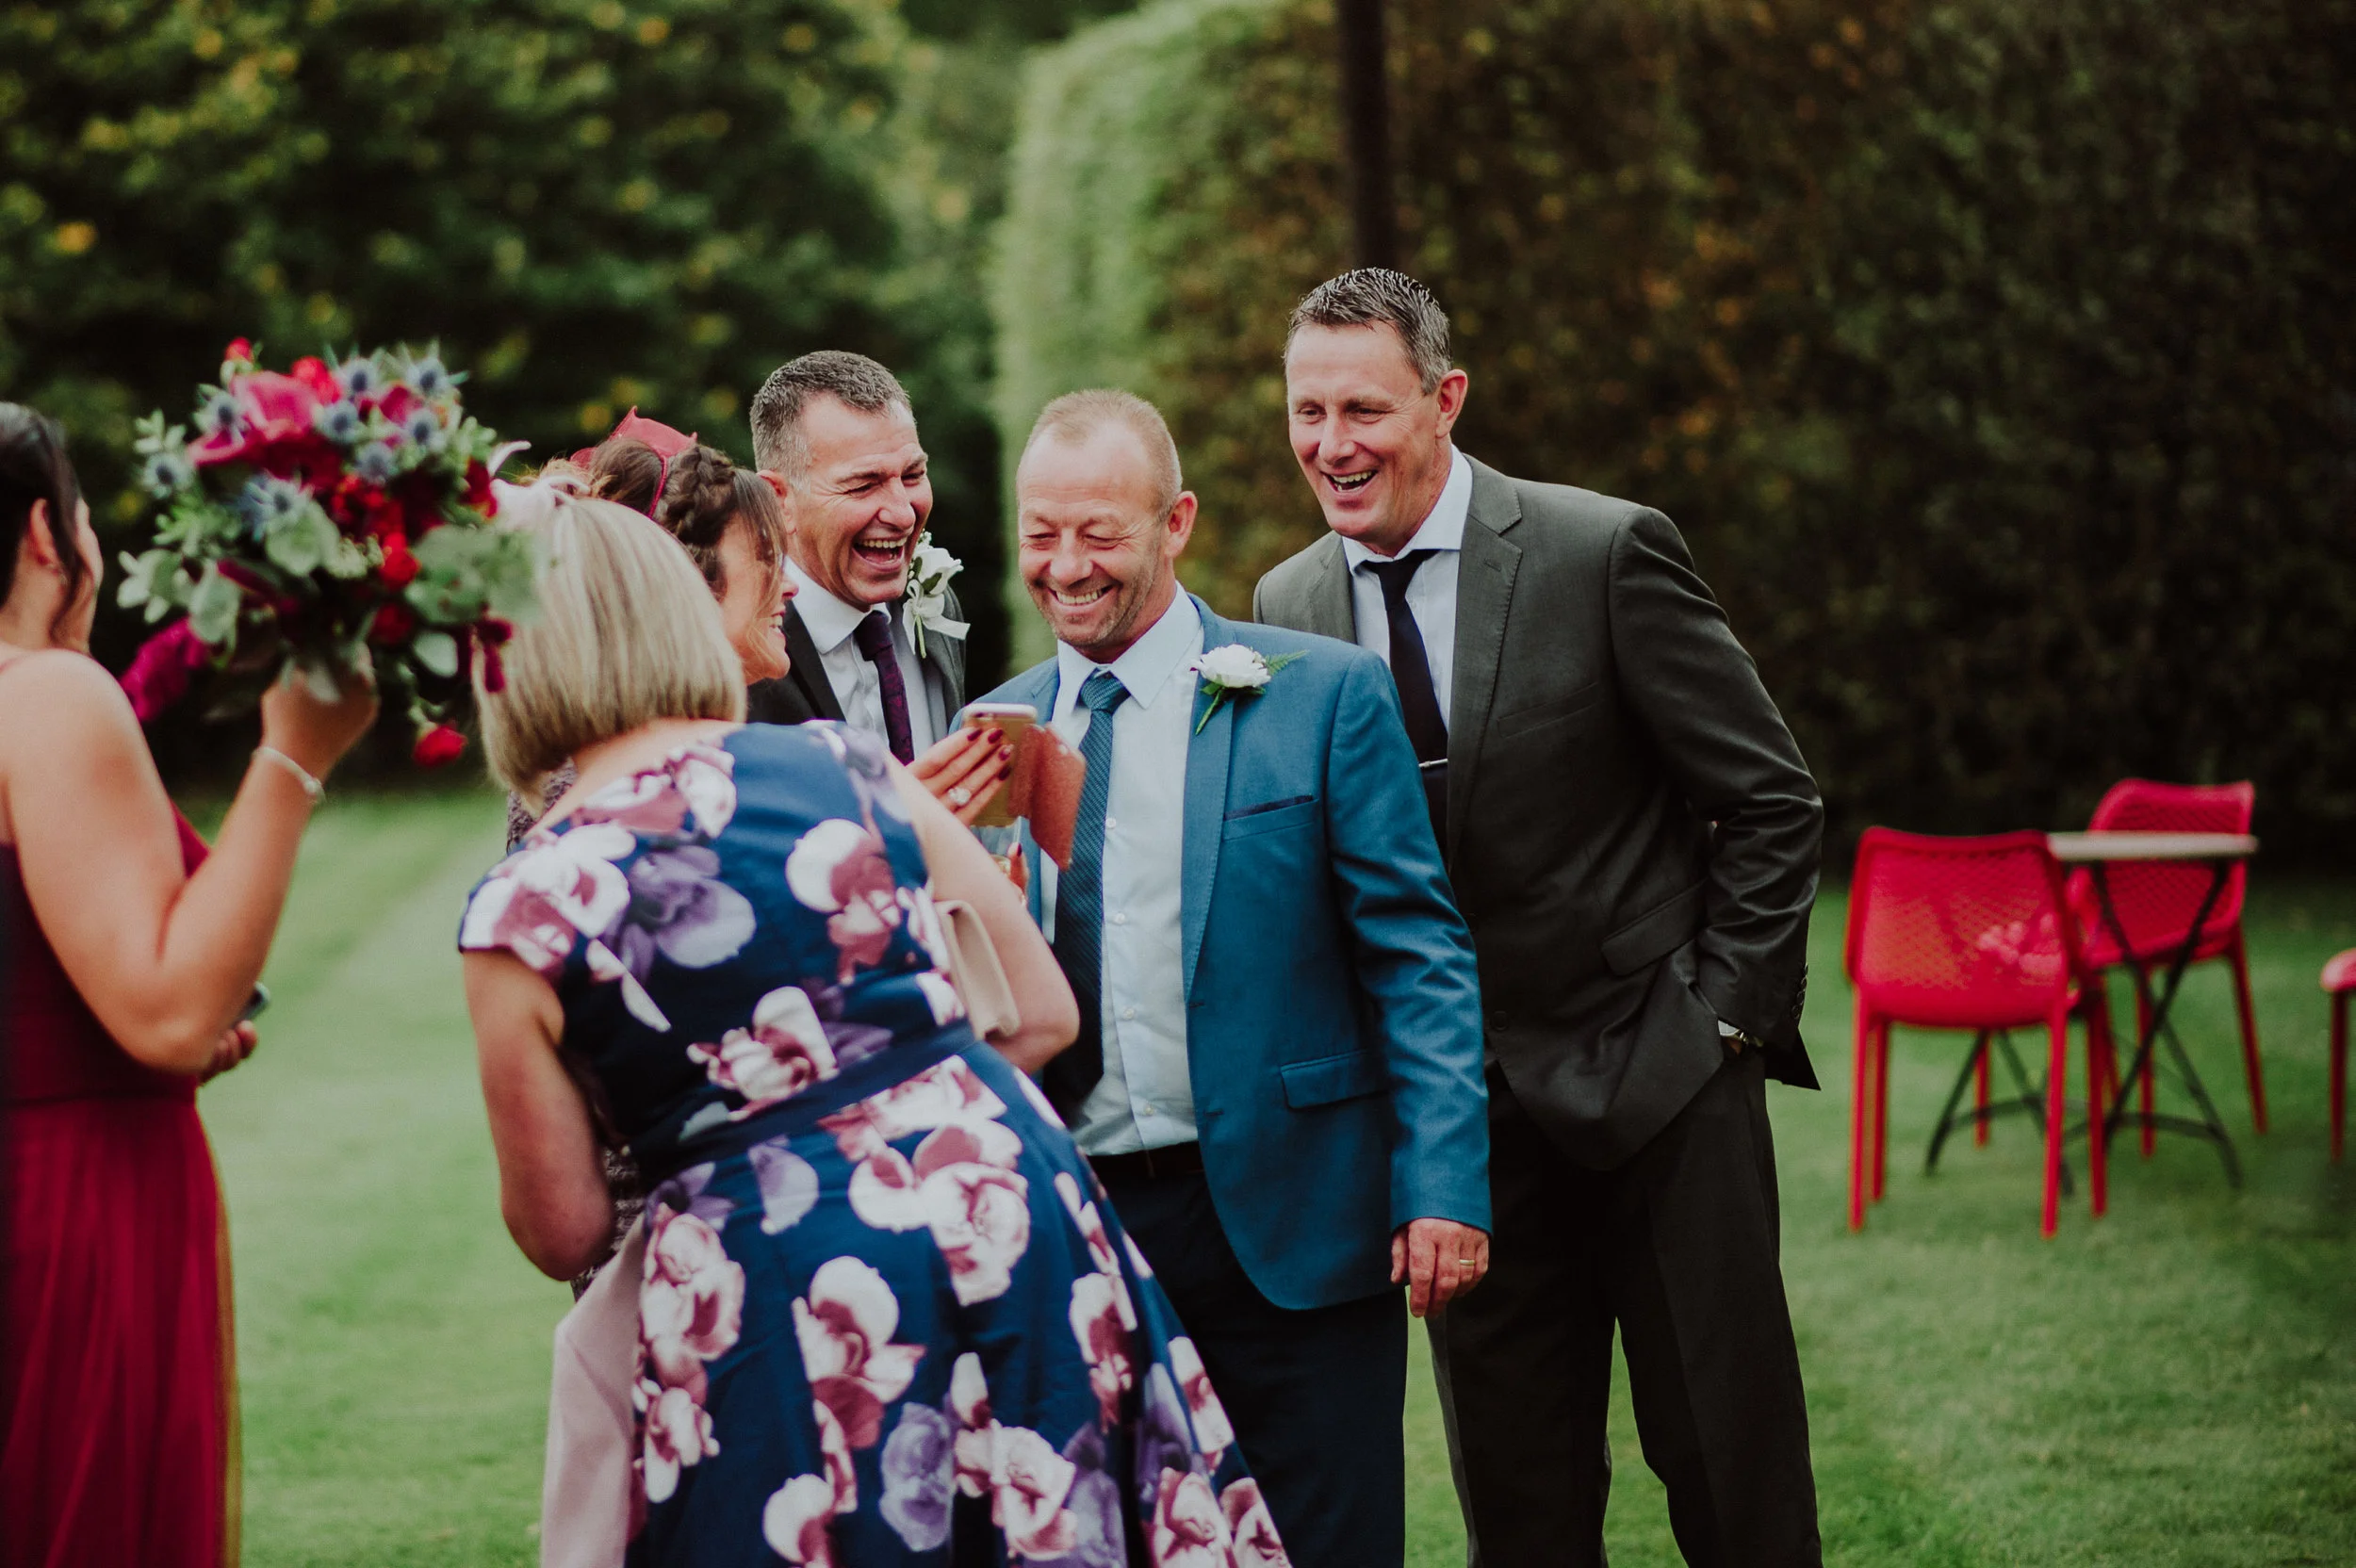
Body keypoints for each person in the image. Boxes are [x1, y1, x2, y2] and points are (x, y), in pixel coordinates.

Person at [458, 493, 1285, 1565]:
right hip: (1000, 1200)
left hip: (776, 1274)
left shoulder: (522, 909)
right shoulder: (838, 765)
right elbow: (1041, 1012)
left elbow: (564, 1228)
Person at [1253, 269, 1826, 1568]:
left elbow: (1772, 799)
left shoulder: (1600, 550)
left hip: (1663, 1091)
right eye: (1305, 411)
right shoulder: (1286, 610)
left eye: (1364, 409)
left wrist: (1723, 1023)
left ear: (1445, 400)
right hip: (1464, 1139)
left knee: (1734, 1482)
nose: (1331, 445)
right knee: (1520, 1508)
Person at [979, 389, 1491, 1568]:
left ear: (1176, 523)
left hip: (1294, 1213)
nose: (1065, 565)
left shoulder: (1316, 693)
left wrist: (1445, 1181)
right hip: (1086, 1226)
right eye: (1041, 532)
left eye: (1099, 532)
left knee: (1327, 1541)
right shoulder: (988, 732)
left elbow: (1418, 950)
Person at [0, 402, 377, 1565]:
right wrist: (294, 757)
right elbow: (166, 1012)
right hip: (66, 1204)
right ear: (44, 536)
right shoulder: (46, 694)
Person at [506, 441, 1010, 848]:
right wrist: (894, 827)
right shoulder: (584, 794)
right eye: (768, 557)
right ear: (683, 586)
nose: (789, 584)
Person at [745, 354, 970, 770]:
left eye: (912, 475)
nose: (903, 514)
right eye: (864, 485)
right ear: (778, 501)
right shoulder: (740, 647)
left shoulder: (937, 604)